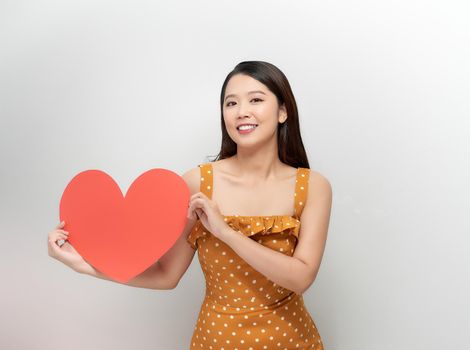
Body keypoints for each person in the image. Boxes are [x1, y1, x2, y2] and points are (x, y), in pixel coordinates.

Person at [48, 60, 332, 349]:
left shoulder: (312, 187)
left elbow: (302, 277)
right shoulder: (198, 184)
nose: (242, 112)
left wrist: (227, 233)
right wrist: (83, 265)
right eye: (231, 103)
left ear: (283, 111)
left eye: (256, 100)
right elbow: (166, 275)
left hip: (294, 341)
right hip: (216, 341)